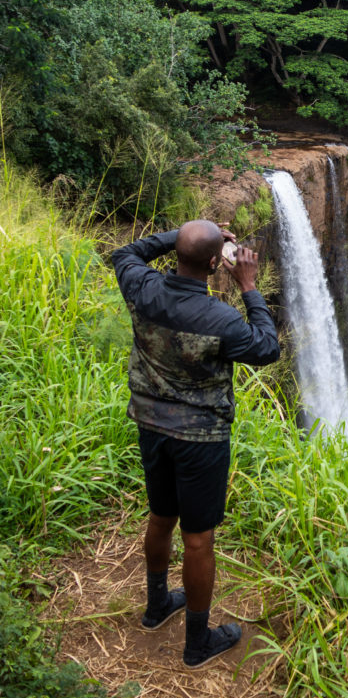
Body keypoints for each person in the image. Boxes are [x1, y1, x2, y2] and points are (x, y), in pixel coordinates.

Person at [112, 220, 279, 669]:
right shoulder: (220, 319)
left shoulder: (141, 288)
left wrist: (182, 235)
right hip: (200, 439)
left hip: (151, 425)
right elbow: (267, 348)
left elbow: (126, 252)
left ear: (175, 256)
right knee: (199, 539)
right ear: (214, 263)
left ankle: (156, 606)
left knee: (161, 516)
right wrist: (248, 286)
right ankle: (197, 643)